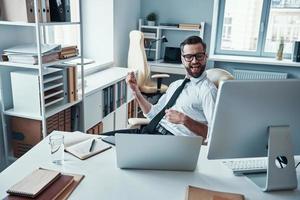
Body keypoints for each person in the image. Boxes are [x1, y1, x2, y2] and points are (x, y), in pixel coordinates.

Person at [104, 36, 217, 140]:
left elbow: (213, 134)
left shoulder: (208, 91)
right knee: (101, 140)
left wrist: (185, 120)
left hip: (171, 142)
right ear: (182, 59)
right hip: (150, 132)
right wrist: (135, 91)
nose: (194, 61)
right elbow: (153, 113)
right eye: (188, 57)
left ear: (205, 57)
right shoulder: (176, 85)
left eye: (199, 56)